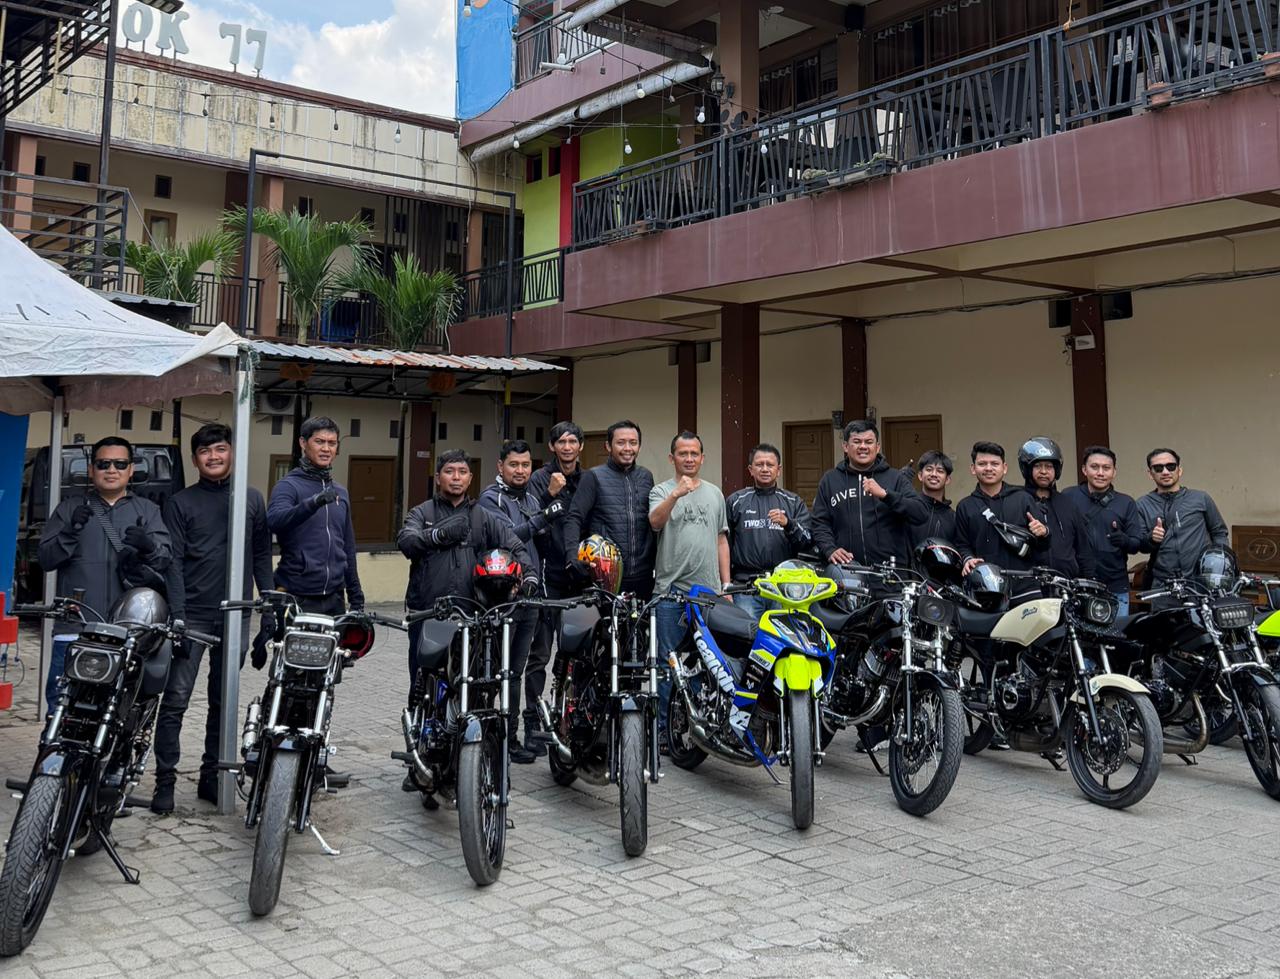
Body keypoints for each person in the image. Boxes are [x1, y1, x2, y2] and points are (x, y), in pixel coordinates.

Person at [398, 450, 538, 794]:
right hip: (429, 615)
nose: (457, 477)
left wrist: (529, 574)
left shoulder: (482, 517)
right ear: (438, 477)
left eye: (462, 471)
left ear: (470, 478)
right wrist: (436, 536)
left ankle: (473, 755)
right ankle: (417, 759)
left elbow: (514, 545)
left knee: (474, 686)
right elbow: (407, 541)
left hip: (474, 616)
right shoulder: (423, 512)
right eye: (450, 471)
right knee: (423, 687)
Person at [152, 424, 274, 813]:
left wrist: (268, 607)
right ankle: (165, 781)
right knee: (176, 699)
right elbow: (172, 563)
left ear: (232, 453)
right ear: (195, 459)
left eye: (220, 449)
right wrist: (179, 617)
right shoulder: (180, 503)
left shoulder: (251, 499)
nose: (213, 457)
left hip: (236, 614)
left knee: (223, 701)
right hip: (193, 616)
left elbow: (261, 555)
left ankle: (211, 777)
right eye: (205, 451)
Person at [38, 436, 171, 713]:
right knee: (61, 709)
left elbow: (164, 561)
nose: (112, 470)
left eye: (120, 464)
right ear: (91, 469)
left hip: (129, 633)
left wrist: (148, 547)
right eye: (103, 464)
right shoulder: (68, 509)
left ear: (131, 469)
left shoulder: (148, 511)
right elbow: (46, 560)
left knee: (118, 713)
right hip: (76, 629)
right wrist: (69, 531)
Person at [479, 439, 567, 763]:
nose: (520, 470)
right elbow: (509, 537)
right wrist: (543, 518)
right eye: (514, 465)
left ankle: (513, 736)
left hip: (531, 596)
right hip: (502, 598)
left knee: (516, 671)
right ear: (500, 466)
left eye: (526, 465)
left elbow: (538, 542)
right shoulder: (491, 498)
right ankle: (491, 736)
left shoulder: (530, 497)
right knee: (497, 672)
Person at [649, 431, 730, 746]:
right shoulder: (661, 490)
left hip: (707, 595)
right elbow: (655, 522)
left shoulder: (715, 493)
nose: (689, 458)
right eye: (683, 453)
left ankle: (696, 724)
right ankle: (662, 730)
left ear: (702, 457)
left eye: (694, 453)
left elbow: (721, 540)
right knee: (666, 663)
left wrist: (725, 585)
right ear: (672, 458)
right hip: (670, 592)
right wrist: (676, 494)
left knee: (706, 663)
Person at [524, 421, 586, 755]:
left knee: (576, 651)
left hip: (578, 576)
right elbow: (528, 520)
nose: (567, 447)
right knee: (540, 653)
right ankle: (533, 724)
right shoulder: (539, 478)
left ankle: (569, 719)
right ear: (552, 446)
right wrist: (548, 494)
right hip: (548, 575)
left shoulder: (587, 480)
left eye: (572, 441)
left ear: (580, 446)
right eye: (561, 441)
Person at [267, 416, 364, 615]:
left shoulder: (340, 492)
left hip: (335, 596)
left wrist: (356, 598)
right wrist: (312, 503)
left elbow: (347, 546)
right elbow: (275, 521)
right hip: (296, 594)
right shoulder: (288, 486)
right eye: (319, 442)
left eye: (332, 443)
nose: (326, 449)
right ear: (303, 443)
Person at [811, 420, 928, 568]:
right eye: (857, 442)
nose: (863, 446)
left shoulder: (895, 478)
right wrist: (830, 549)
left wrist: (886, 495)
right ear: (845, 446)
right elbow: (820, 523)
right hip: (845, 570)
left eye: (869, 442)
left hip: (890, 572)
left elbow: (920, 513)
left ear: (877, 447)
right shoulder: (830, 480)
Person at [562, 420, 655, 598]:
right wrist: (572, 557)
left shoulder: (646, 477)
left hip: (643, 575)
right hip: (605, 574)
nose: (627, 448)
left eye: (633, 443)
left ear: (639, 446)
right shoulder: (593, 476)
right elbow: (574, 517)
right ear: (608, 446)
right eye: (621, 442)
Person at [726, 443, 812, 620]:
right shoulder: (736, 501)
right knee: (748, 634)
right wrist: (726, 583)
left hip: (784, 587)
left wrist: (788, 524)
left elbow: (807, 541)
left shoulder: (793, 502)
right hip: (747, 587)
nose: (765, 469)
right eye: (759, 464)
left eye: (770, 465)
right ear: (750, 470)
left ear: (778, 470)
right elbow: (724, 545)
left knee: (783, 635)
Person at [1061, 446, 1145, 614]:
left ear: (1114, 472)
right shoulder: (1068, 496)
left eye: (1106, 468)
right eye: (1094, 467)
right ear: (1084, 469)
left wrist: (1124, 540)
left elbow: (1137, 543)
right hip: (1077, 583)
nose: (1100, 473)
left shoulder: (1126, 502)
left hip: (1115, 585)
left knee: (1117, 629)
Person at [955, 441, 1050, 580]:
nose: (988, 468)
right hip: (986, 584)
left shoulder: (1023, 498)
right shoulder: (965, 506)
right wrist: (968, 558)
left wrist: (1044, 532)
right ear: (973, 468)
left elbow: (1044, 546)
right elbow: (962, 544)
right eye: (982, 464)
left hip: (1024, 583)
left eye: (994, 464)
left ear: (1004, 468)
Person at [1136, 448, 1229, 588]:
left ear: (1179, 470)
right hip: (1164, 583)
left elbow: (1219, 532)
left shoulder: (1200, 498)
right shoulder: (1142, 504)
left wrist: (1219, 564)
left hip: (1200, 581)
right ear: (1150, 474)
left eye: (1171, 466)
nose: (1165, 472)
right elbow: (1140, 545)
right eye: (1158, 468)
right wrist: (1152, 538)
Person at [1018, 437, 1095, 581]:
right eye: (1038, 466)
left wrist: (1089, 580)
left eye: (1049, 466)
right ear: (1027, 469)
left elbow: (1083, 549)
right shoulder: (1017, 502)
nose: (1043, 471)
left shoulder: (1068, 504)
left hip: (1066, 583)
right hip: (1029, 585)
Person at [905, 450, 957, 553]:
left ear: (947, 479)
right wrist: (898, 483)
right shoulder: (909, 506)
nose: (934, 474)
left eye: (940, 471)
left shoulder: (953, 517)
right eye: (929, 469)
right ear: (920, 476)